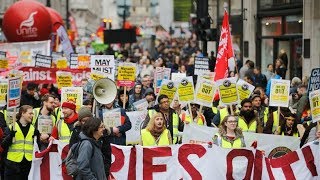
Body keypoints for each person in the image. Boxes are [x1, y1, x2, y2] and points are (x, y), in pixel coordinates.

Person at [1, 105, 39, 180]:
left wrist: (38, 137)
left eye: (32, 114)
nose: (32, 115)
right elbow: (3, 145)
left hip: (27, 164)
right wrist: (11, 136)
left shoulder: (34, 129)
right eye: (30, 113)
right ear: (22, 113)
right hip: (12, 164)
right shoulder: (11, 127)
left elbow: (37, 147)